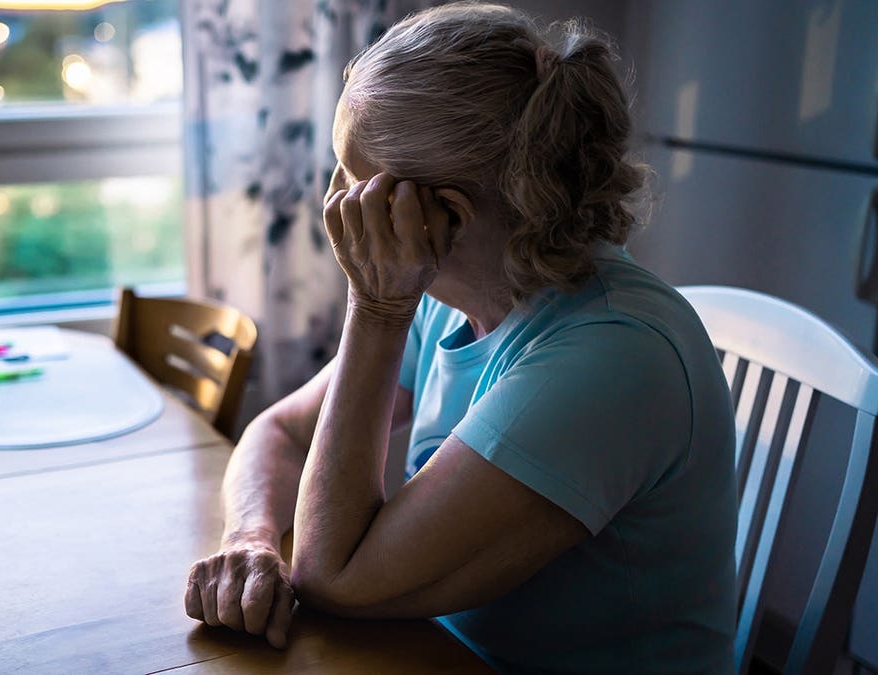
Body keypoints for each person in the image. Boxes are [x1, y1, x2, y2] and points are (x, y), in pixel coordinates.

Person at [183, 3, 737, 672]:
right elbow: (280, 432)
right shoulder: (452, 300)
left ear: (447, 215)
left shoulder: (611, 356)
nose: (337, 208)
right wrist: (251, 536)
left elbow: (333, 575)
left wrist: (376, 306)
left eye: (357, 187)